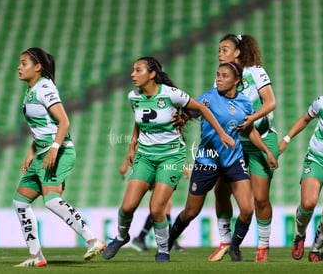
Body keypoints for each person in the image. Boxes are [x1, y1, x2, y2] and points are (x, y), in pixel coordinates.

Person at [102, 56, 235, 263]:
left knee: (157, 209)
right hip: (145, 156)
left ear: (152, 74)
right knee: (127, 207)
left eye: (138, 70)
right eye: (132, 70)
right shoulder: (133, 97)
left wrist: (221, 133)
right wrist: (131, 146)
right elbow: (139, 121)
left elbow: (202, 109)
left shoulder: (171, 94)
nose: (132, 74)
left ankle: (163, 250)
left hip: (171, 156)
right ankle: (121, 237)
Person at [168, 62, 278, 262]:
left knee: (247, 208)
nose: (218, 78)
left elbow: (249, 130)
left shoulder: (245, 103)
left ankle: (234, 246)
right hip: (206, 159)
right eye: (218, 74)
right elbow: (188, 113)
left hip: (233, 160)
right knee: (191, 212)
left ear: (237, 81)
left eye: (224, 76)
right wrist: (181, 119)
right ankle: (167, 243)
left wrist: (267, 151)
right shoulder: (208, 98)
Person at [13, 47, 105, 267]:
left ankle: (93, 240)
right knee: (20, 202)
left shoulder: (44, 87)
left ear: (38, 67)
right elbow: (43, 127)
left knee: (52, 201)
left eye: (24, 63)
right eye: (20, 62)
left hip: (59, 152)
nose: (19, 66)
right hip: (42, 152)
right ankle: (36, 257)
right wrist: (31, 152)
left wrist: (54, 147)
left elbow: (64, 121)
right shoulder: (32, 89)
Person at [208, 34, 279, 262]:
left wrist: (251, 118)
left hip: (262, 139)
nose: (220, 53)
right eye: (219, 49)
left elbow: (271, 103)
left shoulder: (255, 71)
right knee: (220, 191)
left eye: (225, 49)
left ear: (238, 52)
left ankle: (263, 247)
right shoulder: (221, 78)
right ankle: (225, 241)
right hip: (236, 143)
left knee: (260, 199)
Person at [279, 94, 323, 262]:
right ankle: (300, 235)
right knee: (308, 203)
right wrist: (286, 139)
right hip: (317, 158)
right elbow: (305, 119)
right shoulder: (322, 102)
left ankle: (315, 249)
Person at [118, 158, 189, 252]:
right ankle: (165, 240)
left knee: (166, 205)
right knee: (162, 204)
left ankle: (148, 238)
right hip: (158, 166)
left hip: (162, 164)